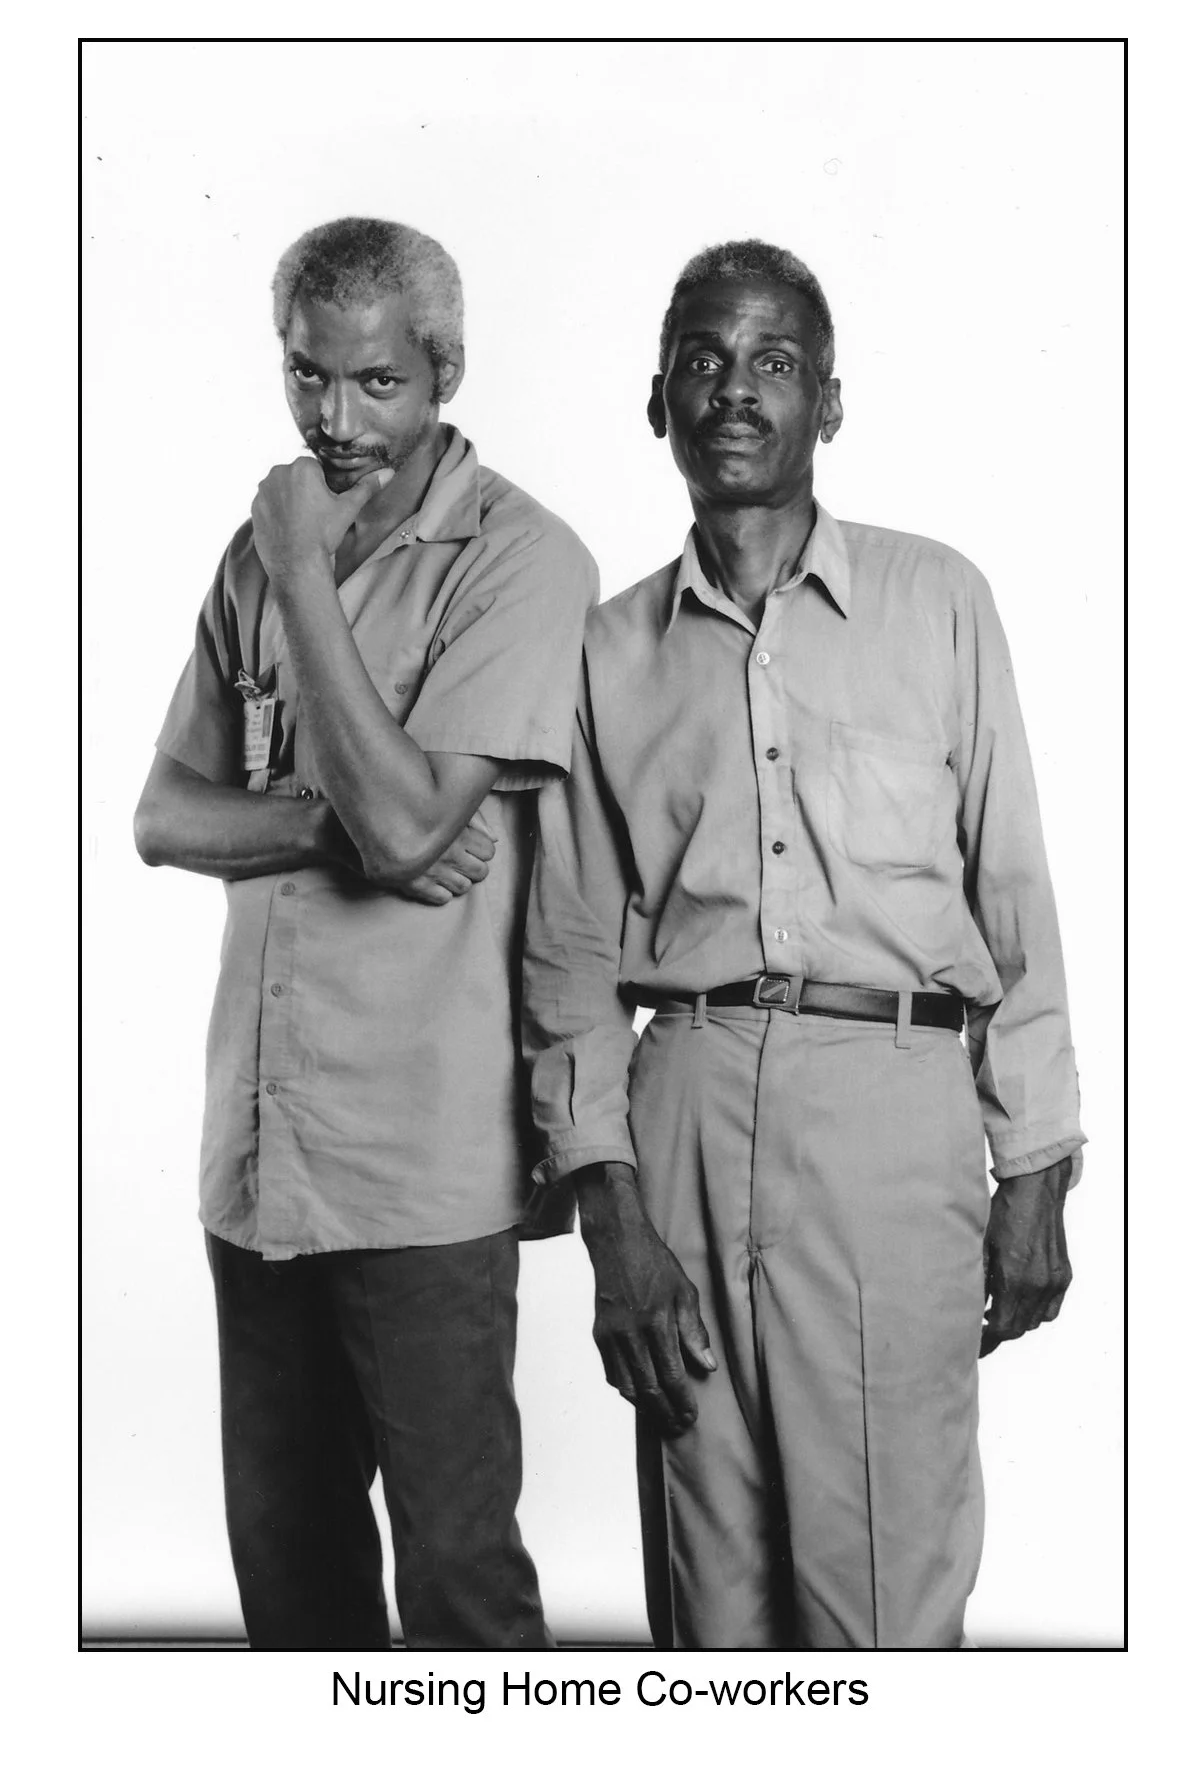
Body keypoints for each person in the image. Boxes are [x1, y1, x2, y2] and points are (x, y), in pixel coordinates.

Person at [522, 238, 1084, 1650]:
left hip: (891, 1113)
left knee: (884, 1603)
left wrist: (1035, 1169)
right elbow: (569, 952)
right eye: (703, 362)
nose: (736, 390)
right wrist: (612, 1223)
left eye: (773, 362)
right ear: (658, 400)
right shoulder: (603, 653)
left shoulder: (936, 599)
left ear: (827, 402)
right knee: (710, 1606)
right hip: (685, 1111)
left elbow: (1013, 892)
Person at [134, 215, 597, 1650]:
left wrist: (303, 575)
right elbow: (163, 816)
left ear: (445, 374)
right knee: (294, 1592)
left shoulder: (521, 559)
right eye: (308, 376)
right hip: (260, 1163)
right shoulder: (254, 555)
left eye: (377, 383)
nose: (335, 420)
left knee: (460, 1594)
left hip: (423, 1176)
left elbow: (411, 833)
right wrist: (330, 825)